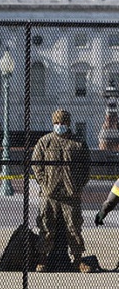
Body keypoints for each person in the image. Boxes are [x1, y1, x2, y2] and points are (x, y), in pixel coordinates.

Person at [32, 109, 91, 273]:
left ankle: (78, 260)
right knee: (46, 226)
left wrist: (77, 186)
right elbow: (36, 164)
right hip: (49, 194)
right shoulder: (45, 142)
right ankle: (42, 259)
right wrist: (44, 183)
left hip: (70, 195)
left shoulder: (78, 143)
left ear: (68, 123)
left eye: (62, 123)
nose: (59, 126)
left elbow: (86, 168)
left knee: (74, 228)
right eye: (56, 123)